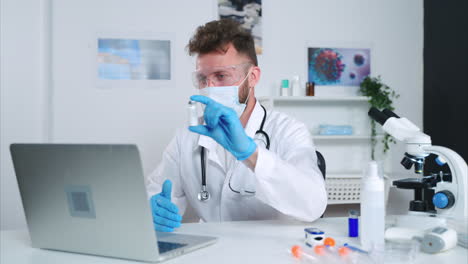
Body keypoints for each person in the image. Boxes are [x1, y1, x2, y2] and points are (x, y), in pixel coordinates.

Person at [146, 19, 327, 232]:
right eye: (202, 79)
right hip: (212, 251)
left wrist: (251, 154)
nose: (210, 87)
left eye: (221, 76)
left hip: (272, 252)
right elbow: (158, 193)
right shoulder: (186, 137)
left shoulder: (288, 131)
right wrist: (152, 210)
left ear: (252, 77)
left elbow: (313, 205)